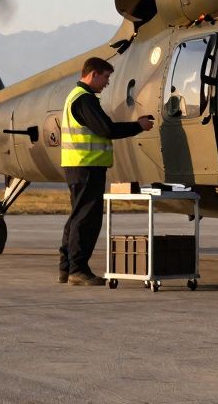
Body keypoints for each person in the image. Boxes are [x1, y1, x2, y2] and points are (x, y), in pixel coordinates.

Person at [59, 56, 155, 286]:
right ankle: (78, 270)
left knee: (77, 216)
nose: (108, 83)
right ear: (93, 74)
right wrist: (138, 126)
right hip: (87, 166)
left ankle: (67, 268)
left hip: (79, 165)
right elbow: (107, 129)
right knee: (86, 219)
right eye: (106, 77)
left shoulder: (77, 96)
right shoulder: (84, 99)